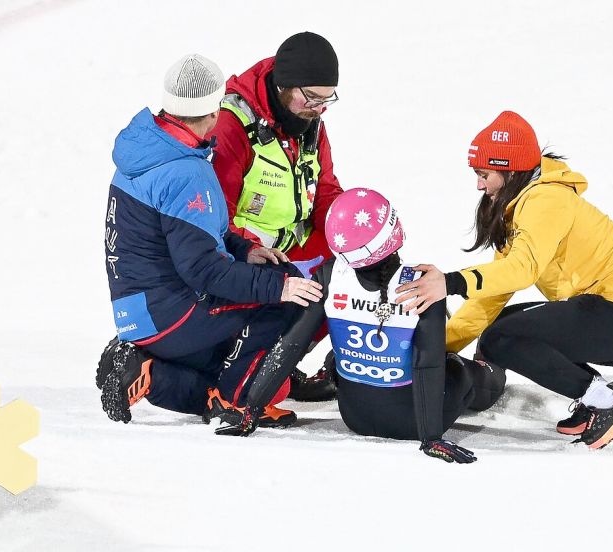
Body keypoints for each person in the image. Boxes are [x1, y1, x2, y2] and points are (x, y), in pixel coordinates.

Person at [395, 111, 613, 449]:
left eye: (484, 174)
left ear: (509, 170)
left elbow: (523, 269)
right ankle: (599, 397)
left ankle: (603, 401)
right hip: (611, 311)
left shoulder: (546, 200)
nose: (479, 185)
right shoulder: (521, 203)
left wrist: (450, 282)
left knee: (501, 339)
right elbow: (493, 295)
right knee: (504, 326)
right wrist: (436, 347)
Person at [96, 54, 324, 426]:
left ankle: (146, 372)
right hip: (172, 313)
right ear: (215, 109)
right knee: (288, 306)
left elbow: (194, 235)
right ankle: (238, 401)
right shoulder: (186, 171)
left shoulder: (147, 149)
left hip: (139, 313)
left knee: (240, 368)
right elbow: (203, 270)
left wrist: (246, 250)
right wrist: (280, 287)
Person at [206, 188, 506, 464]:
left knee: (337, 357)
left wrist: (251, 413)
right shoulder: (424, 285)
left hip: (356, 417)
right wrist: (431, 438)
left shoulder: (328, 275)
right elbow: (428, 365)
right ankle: (489, 366)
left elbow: (290, 346)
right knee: (460, 369)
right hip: (415, 422)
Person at [212, 31, 345, 401]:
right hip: (243, 257)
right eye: (313, 98)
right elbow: (215, 213)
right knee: (301, 289)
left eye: (327, 98)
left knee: (350, 270)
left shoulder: (308, 121)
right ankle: (240, 364)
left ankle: (281, 363)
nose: (320, 108)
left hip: (292, 254)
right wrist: (250, 250)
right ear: (284, 85)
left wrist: (358, 230)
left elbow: (326, 190)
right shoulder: (232, 123)